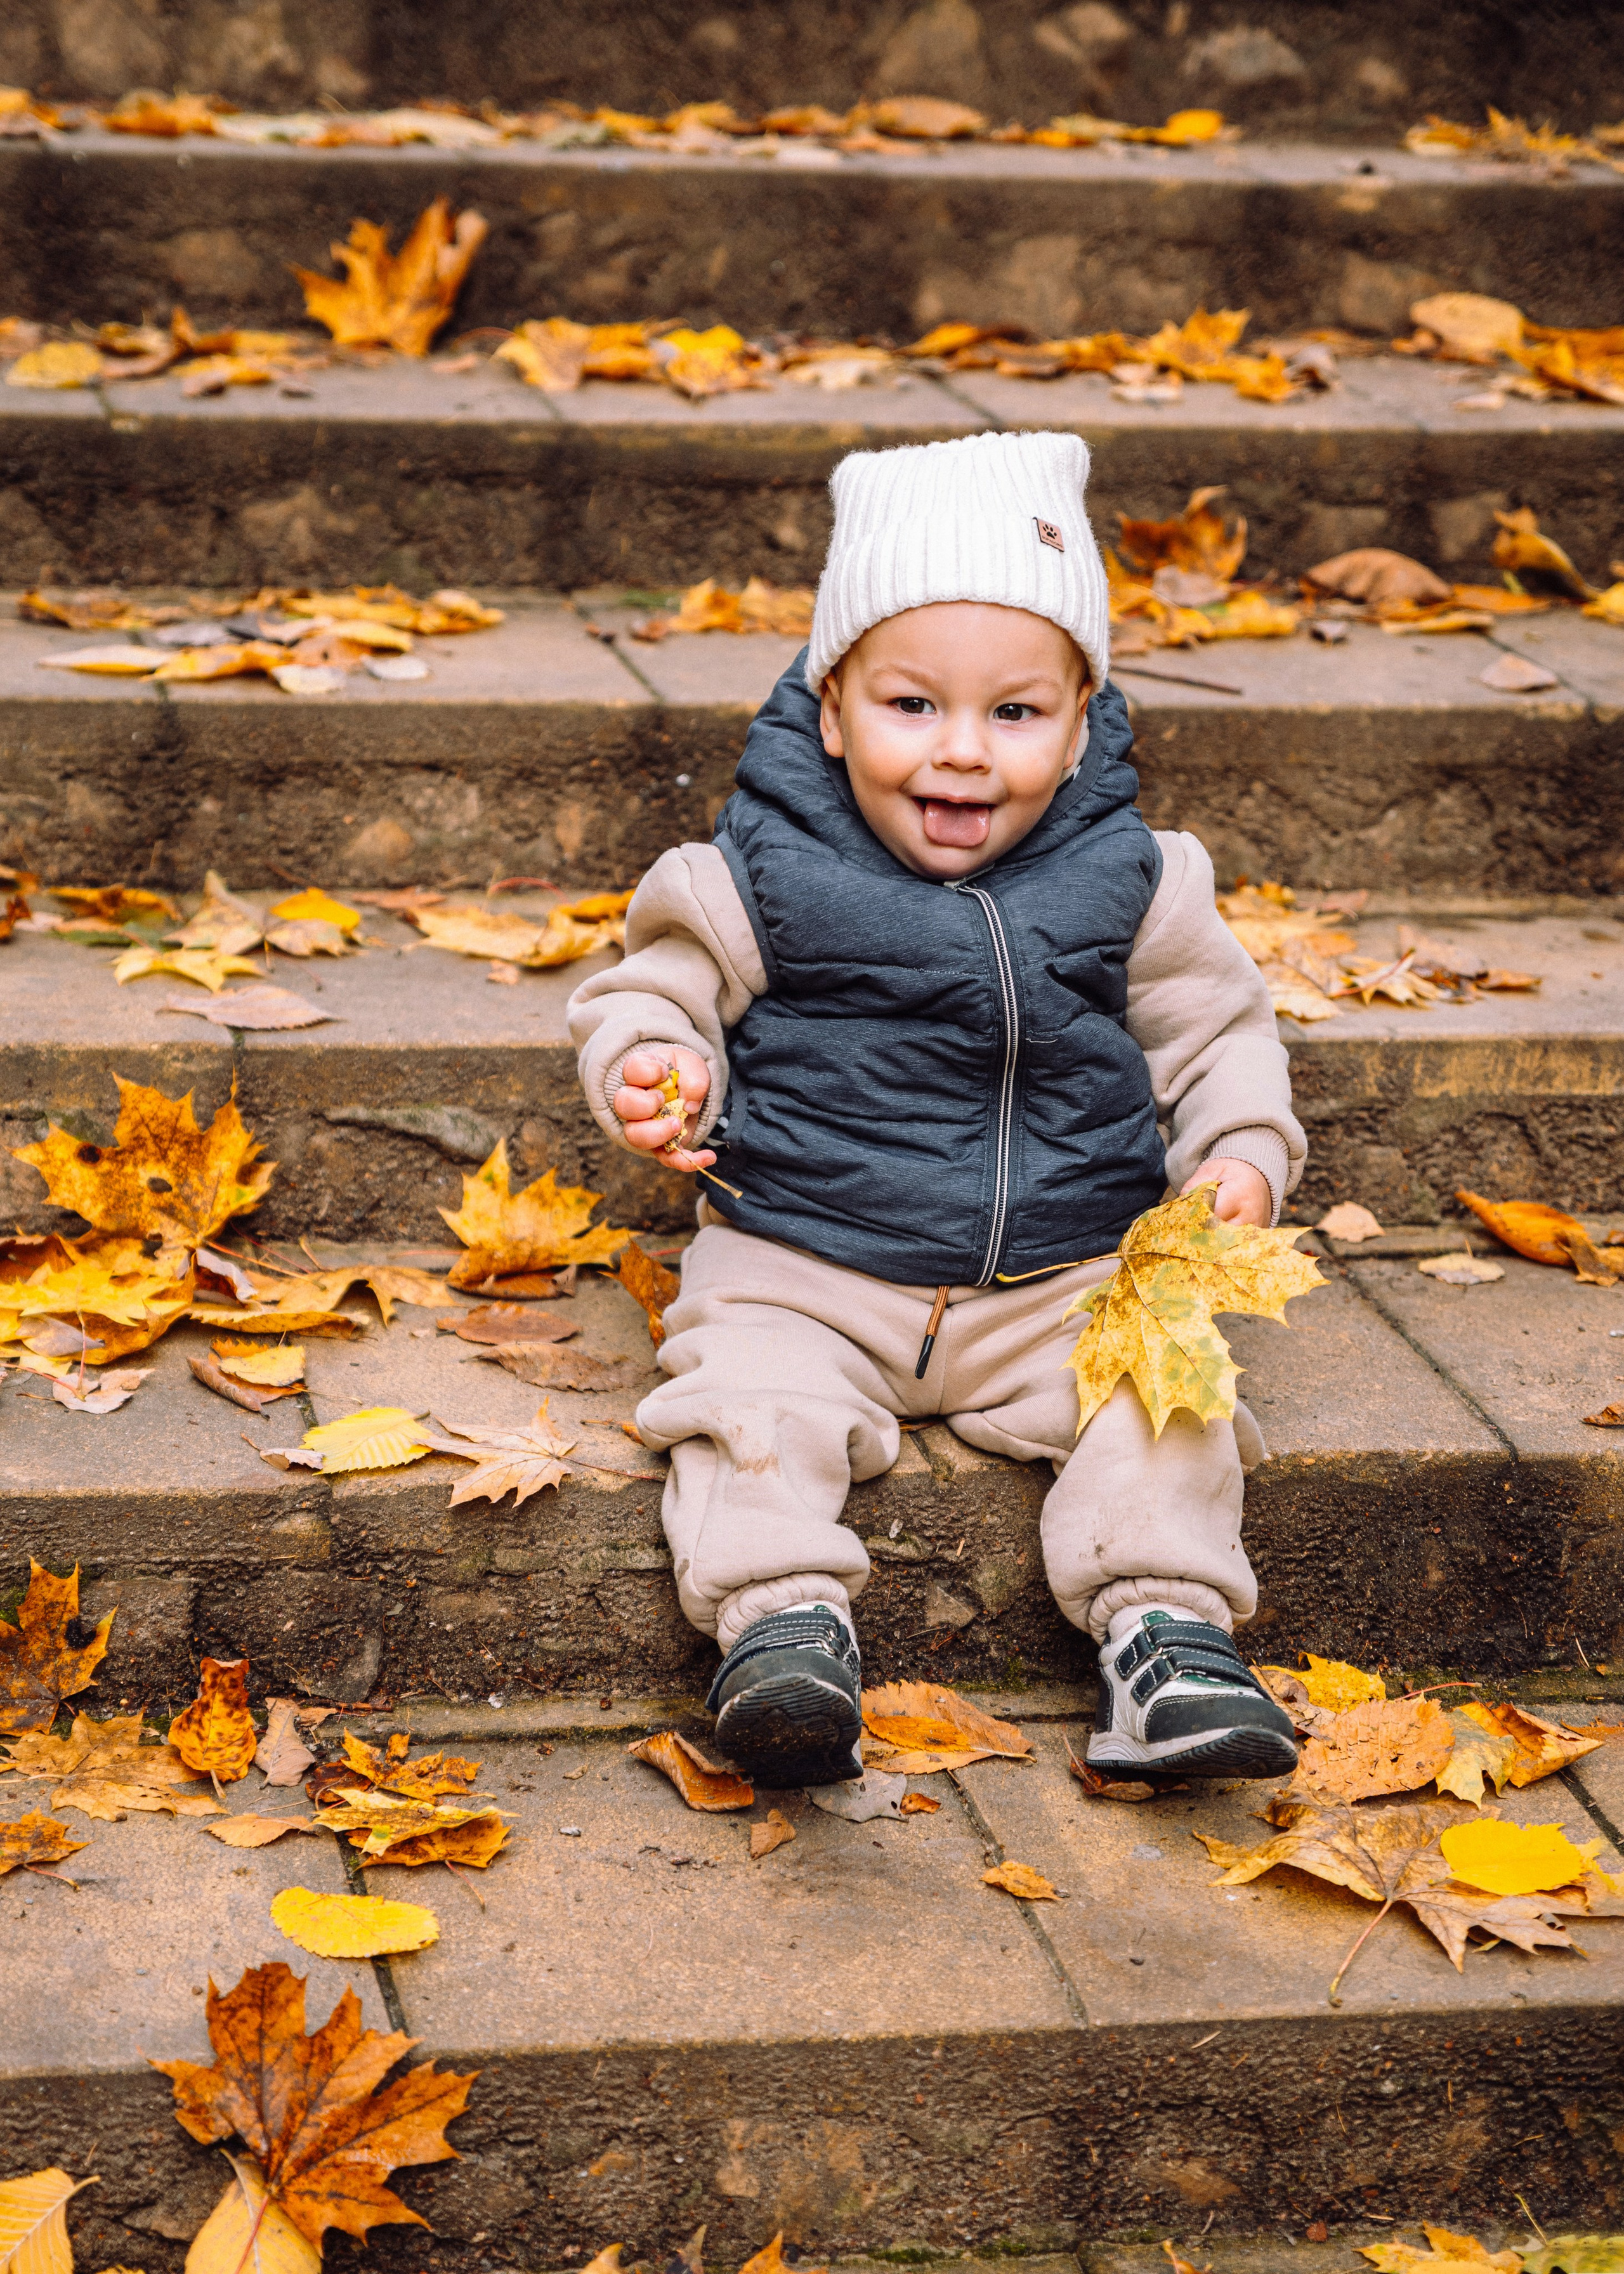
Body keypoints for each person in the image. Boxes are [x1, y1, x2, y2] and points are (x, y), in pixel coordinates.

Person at [568, 429, 1304, 1788]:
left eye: (1015, 715)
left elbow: (1217, 1029)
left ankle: (1170, 1636)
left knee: (1167, 1392)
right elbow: (651, 992)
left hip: (1061, 1275)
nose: (961, 755)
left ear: (1081, 720)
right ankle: (778, 1624)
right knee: (742, 1397)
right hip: (805, 1260)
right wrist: (652, 1068)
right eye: (912, 706)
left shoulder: (1139, 880)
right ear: (831, 705)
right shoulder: (750, 875)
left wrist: (1241, 1150)